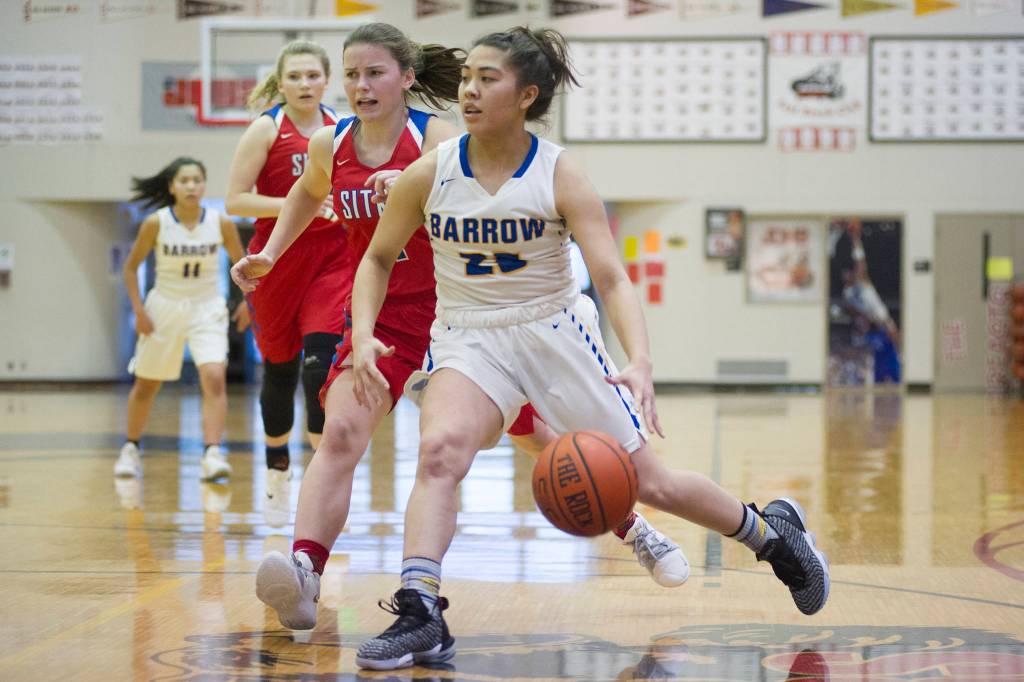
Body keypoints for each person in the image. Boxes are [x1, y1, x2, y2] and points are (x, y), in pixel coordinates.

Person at [347, 27, 831, 671]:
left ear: (527, 95)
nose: (469, 89)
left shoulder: (559, 171)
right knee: (439, 453)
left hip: (554, 332)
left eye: (488, 78)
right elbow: (377, 258)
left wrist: (640, 360)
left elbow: (610, 276)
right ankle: (420, 608)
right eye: (468, 78)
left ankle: (775, 538)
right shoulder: (430, 171)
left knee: (649, 483)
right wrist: (360, 334)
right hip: (467, 334)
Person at [230, 23, 687, 633]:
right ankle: (305, 573)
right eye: (353, 75)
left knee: (542, 441)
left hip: (458, 315)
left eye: (375, 74)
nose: (360, 87)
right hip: (387, 317)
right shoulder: (329, 145)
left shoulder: (440, 140)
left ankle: (635, 527)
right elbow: (306, 196)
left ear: (407, 79)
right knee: (339, 429)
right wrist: (274, 253)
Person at [225, 40, 347, 526]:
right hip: (275, 257)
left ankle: (322, 488)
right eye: (294, 76)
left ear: (325, 80)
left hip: (332, 258)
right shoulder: (266, 128)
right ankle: (277, 471)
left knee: (321, 373)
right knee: (280, 369)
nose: (304, 84)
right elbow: (235, 200)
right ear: (281, 83)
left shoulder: (342, 129)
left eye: (312, 75)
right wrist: (297, 204)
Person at [114, 157, 248, 481]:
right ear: (172, 187)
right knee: (147, 383)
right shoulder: (157, 223)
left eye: (196, 180)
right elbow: (131, 268)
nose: (191, 186)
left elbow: (243, 265)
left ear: (204, 186)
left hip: (206, 307)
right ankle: (130, 448)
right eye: (184, 180)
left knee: (215, 375)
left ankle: (212, 453)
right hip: (164, 308)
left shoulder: (221, 222)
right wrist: (139, 310)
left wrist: (248, 302)